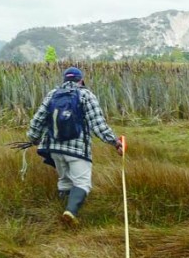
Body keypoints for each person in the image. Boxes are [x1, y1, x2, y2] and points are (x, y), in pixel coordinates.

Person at [27, 66, 123, 226]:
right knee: (82, 183)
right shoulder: (86, 95)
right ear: (81, 80)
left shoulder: (52, 94)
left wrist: (33, 138)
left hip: (55, 148)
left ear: (64, 80)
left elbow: (38, 120)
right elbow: (98, 125)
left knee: (64, 181)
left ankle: (61, 213)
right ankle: (70, 212)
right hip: (77, 150)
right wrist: (115, 141)